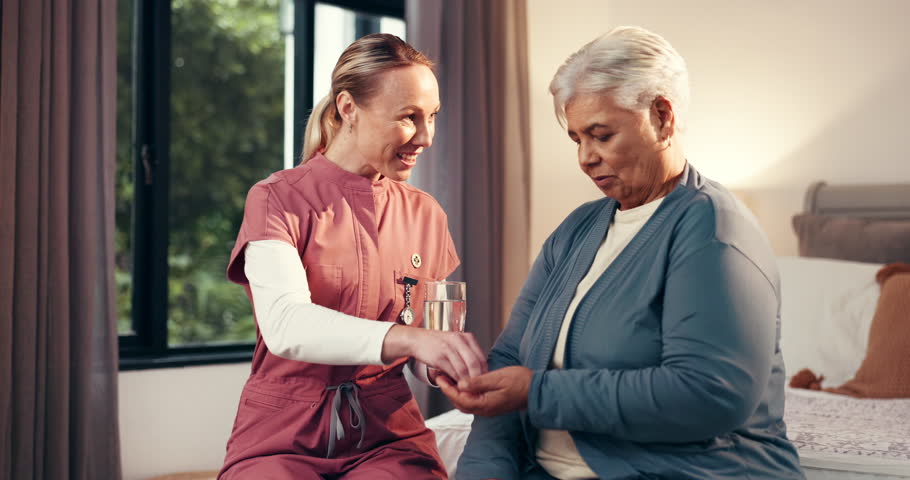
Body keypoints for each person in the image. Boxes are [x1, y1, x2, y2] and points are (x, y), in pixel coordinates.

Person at [440, 26, 805, 480]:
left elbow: (709, 394)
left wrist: (537, 393)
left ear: (662, 117)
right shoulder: (577, 230)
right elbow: (509, 363)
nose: (585, 158)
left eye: (601, 135)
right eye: (577, 139)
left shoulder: (713, 227)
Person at [218, 33, 487, 480]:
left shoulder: (427, 215)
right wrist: (412, 340)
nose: (426, 137)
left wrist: (444, 365)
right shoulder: (275, 199)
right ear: (348, 108)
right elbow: (286, 324)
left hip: (388, 438)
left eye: (432, 117)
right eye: (408, 117)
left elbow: (431, 339)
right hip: (280, 437)